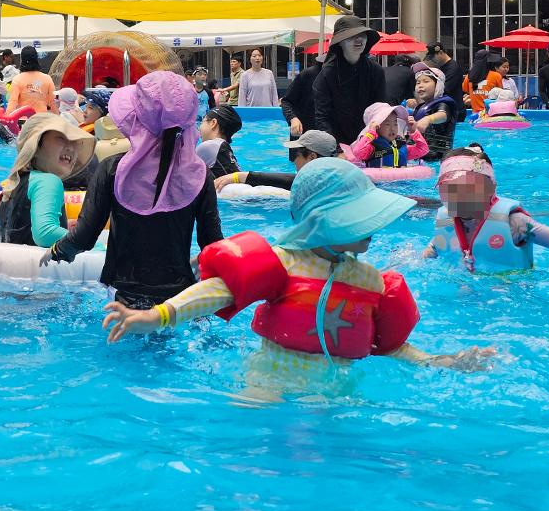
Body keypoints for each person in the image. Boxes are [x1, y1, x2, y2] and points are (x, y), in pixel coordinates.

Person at [101, 159, 494, 375]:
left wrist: (442, 363)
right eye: (359, 217)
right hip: (268, 379)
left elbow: (390, 347)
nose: (372, 226)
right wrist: (156, 316)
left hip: (337, 389)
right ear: (325, 222)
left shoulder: (372, 282)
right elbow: (218, 291)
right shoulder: (282, 264)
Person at [41, 71, 224, 309]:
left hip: (122, 297)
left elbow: (84, 238)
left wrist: (57, 251)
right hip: (178, 301)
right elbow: (213, 246)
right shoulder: (200, 176)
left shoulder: (112, 170)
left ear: (136, 121)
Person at [424, 145, 549, 271]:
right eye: (450, 189)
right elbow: (433, 250)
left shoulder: (513, 222)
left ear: (490, 189)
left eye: (468, 189)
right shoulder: (447, 220)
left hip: (511, 293)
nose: (458, 197)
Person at [0, 113, 96, 248]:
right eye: (61, 138)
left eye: (76, 142)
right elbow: (44, 234)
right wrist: (93, 244)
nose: (72, 147)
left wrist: (63, 226)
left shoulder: (9, 189)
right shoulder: (48, 181)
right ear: (36, 146)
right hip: (35, 268)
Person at [313, 16, 387, 146]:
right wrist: (336, 150)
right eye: (352, 36)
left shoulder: (376, 71)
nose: (359, 39)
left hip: (368, 139)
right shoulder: (327, 75)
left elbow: (381, 110)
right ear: (340, 42)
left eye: (362, 35)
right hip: (336, 141)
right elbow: (322, 118)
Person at [215, 129, 339, 193]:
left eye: (297, 154)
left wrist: (238, 176)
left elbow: (289, 181)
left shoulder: (319, 183)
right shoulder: (335, 175)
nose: (294, 160)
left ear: (312, 157)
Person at [349, 102, 428, 167]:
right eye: (387, 124)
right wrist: (371, 133)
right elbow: (358, 153)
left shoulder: (400, 145)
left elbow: (423, 150)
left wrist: (414, 131)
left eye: (395, 124)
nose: (392, 128)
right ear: (376, 127)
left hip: (402, 184)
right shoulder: (371, 147)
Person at [408, 63, 456, 162]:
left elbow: (443, 116)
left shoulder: (443, 104)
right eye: (418, 83)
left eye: (426, 81)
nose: (420, 85)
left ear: (438, 85)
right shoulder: (420, 107)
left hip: (438, 157)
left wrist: (428, 119)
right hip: (420, 156)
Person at [6, 46, 56, 115]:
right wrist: (57, 118)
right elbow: (53, 101)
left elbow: (13, 102)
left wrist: (7, 118)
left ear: (22, 60)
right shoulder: (47, 78)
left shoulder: (17, 79)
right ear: (36, 59)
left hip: (24, 121)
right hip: (42, 120)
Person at [196, 104, 242, 179]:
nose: (199, 127)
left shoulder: (209, 146)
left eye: (202, 121)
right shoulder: (221, 147)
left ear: (213, 123)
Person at [280, 55, 321, 137]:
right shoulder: (308, 74)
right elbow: (286, 101)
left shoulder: (345, 77)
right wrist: (293, 118)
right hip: (304, 133)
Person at [425, 41, 466, 122]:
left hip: (455, 111)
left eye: (433, 57)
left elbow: (444, 89)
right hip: (448, 109)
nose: (432, 60)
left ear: (440, 52)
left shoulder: (453, 68)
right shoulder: (442, 67)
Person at [462, 49, 503, 116]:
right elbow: (500, 94)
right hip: (491, 114)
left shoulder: (469, 76)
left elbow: (465, 90)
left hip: (475, 115)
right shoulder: (496, 76)